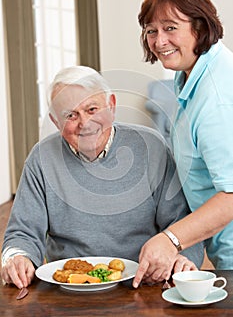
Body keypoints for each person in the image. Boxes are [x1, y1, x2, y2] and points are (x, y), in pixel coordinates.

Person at [1, 65, 203, 289]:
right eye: (70, 115)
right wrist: (18, 257)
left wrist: (183, 260)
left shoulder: (151, 147)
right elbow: (22, 232)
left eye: (92, 109)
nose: (84, 123)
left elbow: (182, 221)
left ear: (112, 106)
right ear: (56, 121)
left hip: (143, 284)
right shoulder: (41, 158)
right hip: (69, 292)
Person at [133, 0, 233, 288]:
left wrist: (170, 239)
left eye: (170, 27)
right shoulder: (193, 75)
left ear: (200, 27)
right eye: (151, 31)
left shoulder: (216, 96)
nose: (159, 40)